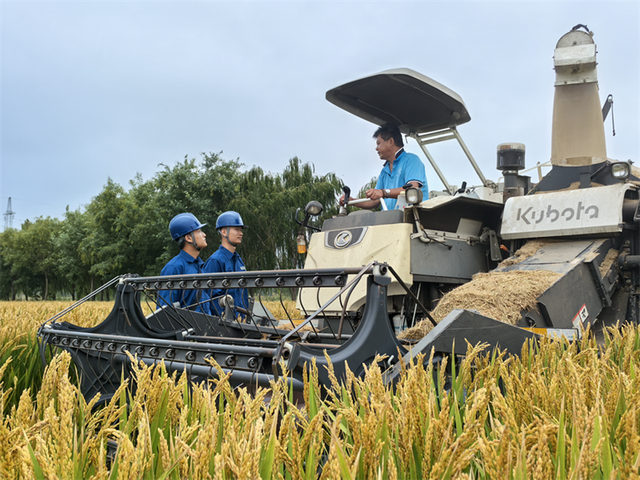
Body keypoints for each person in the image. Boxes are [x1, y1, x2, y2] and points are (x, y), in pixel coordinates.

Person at [341, 123, 428, 210]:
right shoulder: (384, 171)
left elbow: (412, 190)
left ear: (390, 142)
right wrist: (352, 201)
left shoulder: (411, 160)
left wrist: (384, 192)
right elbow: (376, 200)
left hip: (413, 220)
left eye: (378, 143)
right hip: (390, 220)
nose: (376, 148)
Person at [157, 213, 211, 314]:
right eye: (199, 231)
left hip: (205, 327)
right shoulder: (173, 268)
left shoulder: (200, 265)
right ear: (188, 238)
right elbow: (165, 313)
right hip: (188, 328)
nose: (204, 234)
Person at [204, 211, 249, 318]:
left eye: (241, 230)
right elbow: (212, 297)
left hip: (241, 321)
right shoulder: (215, 261)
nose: (241, 233)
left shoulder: (238, 259)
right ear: (224, 232)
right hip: (225, 324)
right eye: (236, 229)